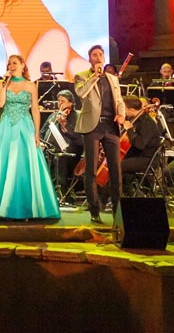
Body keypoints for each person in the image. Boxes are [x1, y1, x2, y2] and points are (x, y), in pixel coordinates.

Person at [0, 54, 60, 220]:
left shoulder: (30, 85)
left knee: (23, 165)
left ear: (22, 65)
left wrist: (36, 133)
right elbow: (0, 104)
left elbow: (35, 110)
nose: (11, 66)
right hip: (6, 126)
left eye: (14, 63)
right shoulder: (2, 83)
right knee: (2, 164)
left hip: (24, 126)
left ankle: (26, 206)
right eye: (9, 64)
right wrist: (5, 83)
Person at [73, 45, 125, 224]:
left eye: (101, 55)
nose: (98, 57)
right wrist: (94, 77)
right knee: (91, 169)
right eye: (94, 55)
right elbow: (81, 92)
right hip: (92, 126)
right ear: (90, 59)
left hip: (111, 126)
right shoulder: (82, 76)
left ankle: (118, 211)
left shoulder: (112, 78)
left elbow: (119, 100)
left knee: (115, 170)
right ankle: (94, 210)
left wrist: (122, 114)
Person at [117, 97, 162, 195]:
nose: (123, 111)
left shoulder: (147, 123)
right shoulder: (133, 119)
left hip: (146, 159)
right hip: (135, 156)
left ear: (132, 110)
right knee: (115, 164)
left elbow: (140, 144)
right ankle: (127, 194)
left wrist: (129, 130)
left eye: (124, 109)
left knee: (118, 166)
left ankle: (115, 197)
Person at [49, 89, 84, 197]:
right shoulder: (54, 115)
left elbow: (80, 140)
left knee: (60, 157)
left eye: (63, 101)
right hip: (52, 148)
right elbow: (42, 132)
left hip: (73, 151)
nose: (60, 103)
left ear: (71, 103)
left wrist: (65, 126)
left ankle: (62, 193)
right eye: (59, 101)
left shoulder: (78, 116)